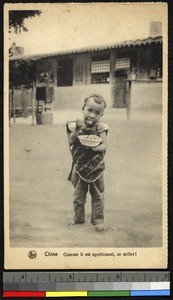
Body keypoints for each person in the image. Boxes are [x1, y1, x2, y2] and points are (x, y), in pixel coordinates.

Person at [66, 94, 109, 231]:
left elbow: (104, 146)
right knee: (78, 195)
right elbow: (71, 141)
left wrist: (95, 147)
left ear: (101, 115)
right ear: (83, 108)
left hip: (96, 167)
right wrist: (78, 129)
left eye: (97, 113)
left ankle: (98, 220)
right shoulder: (75, 126)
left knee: (98, 195)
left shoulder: (101, 128)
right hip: (79, 166)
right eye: (90, 110)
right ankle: (78, 217)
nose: (92, 115)